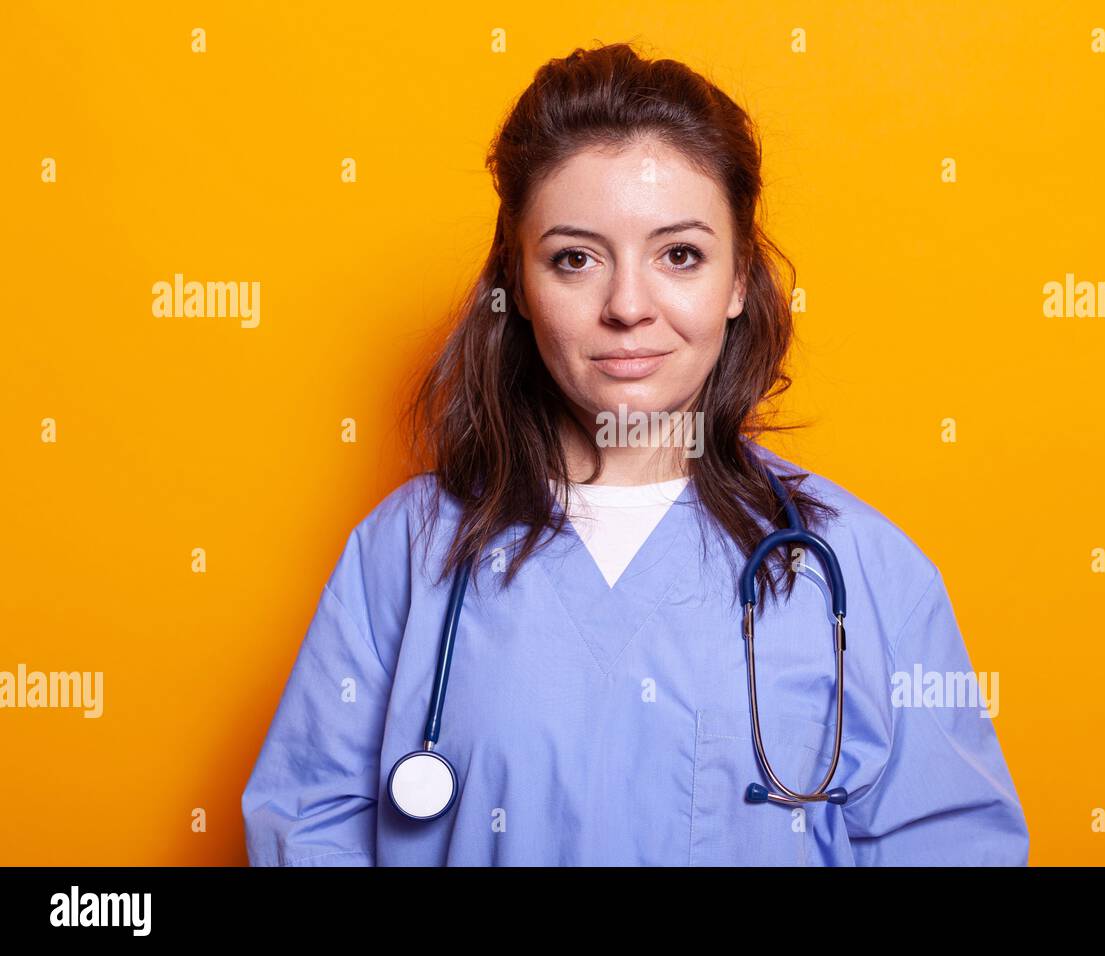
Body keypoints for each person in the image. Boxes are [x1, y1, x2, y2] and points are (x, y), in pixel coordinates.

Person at [241, 41, 1029, 867]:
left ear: (737, 280)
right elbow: (308, 829)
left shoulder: (865, 569)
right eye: (575, 259)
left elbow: (952, 847)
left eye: (679, 255)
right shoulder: (401, 554)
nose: (627, 306)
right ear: (519, 285)